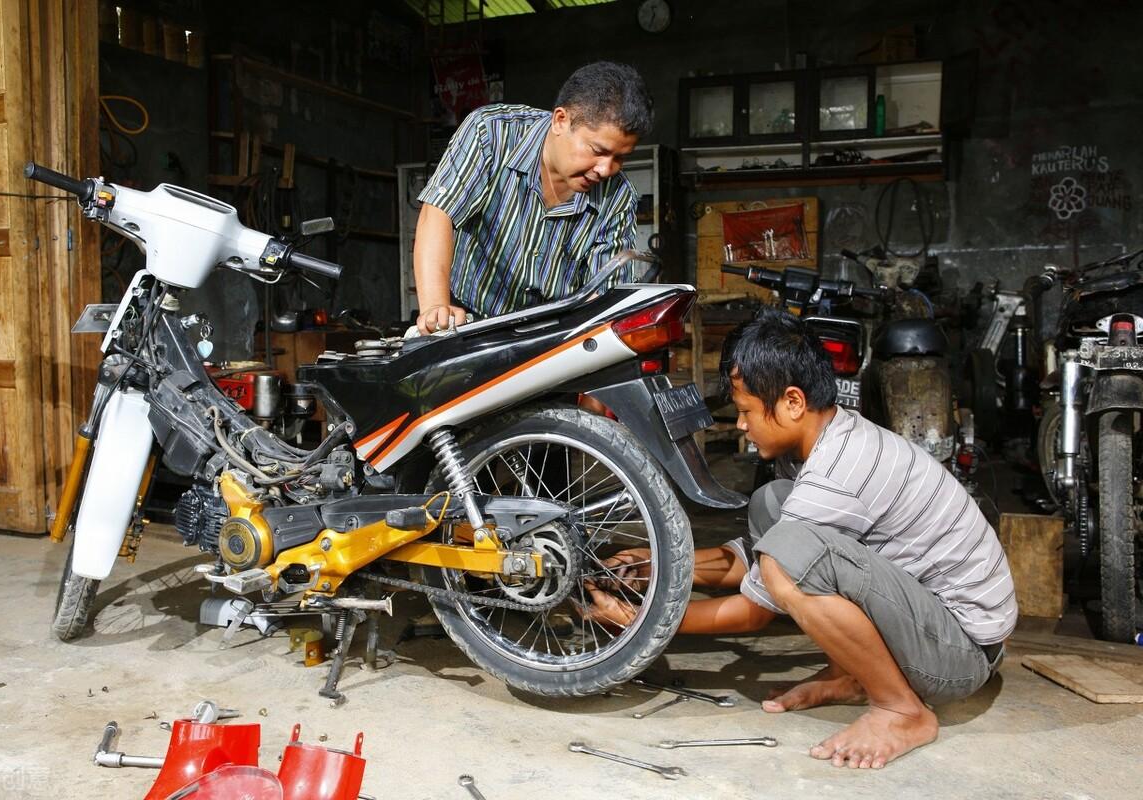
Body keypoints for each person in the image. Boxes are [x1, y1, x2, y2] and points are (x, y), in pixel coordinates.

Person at [581, 309, 1017, 769]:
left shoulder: (838, 470)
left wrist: (644, 620)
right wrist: (658, 564)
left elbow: (758, 607)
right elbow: (758, 560)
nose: (742, 425)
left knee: (792, 553)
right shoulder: (827, 439)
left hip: (961, 656)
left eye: (747, 410)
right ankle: (854, 675)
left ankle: (902, 709)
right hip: (942, 629)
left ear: (792, 401)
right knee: (772, 504)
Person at [413, 61, 652, 334]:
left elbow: (606, 299)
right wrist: (435, 308)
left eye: (620, 157)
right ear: (561, 120)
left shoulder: (618, 197)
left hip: (551, 337)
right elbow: (437, 213)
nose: (606, 169)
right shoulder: (491, 134)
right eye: (598, 150)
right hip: (469, 322)